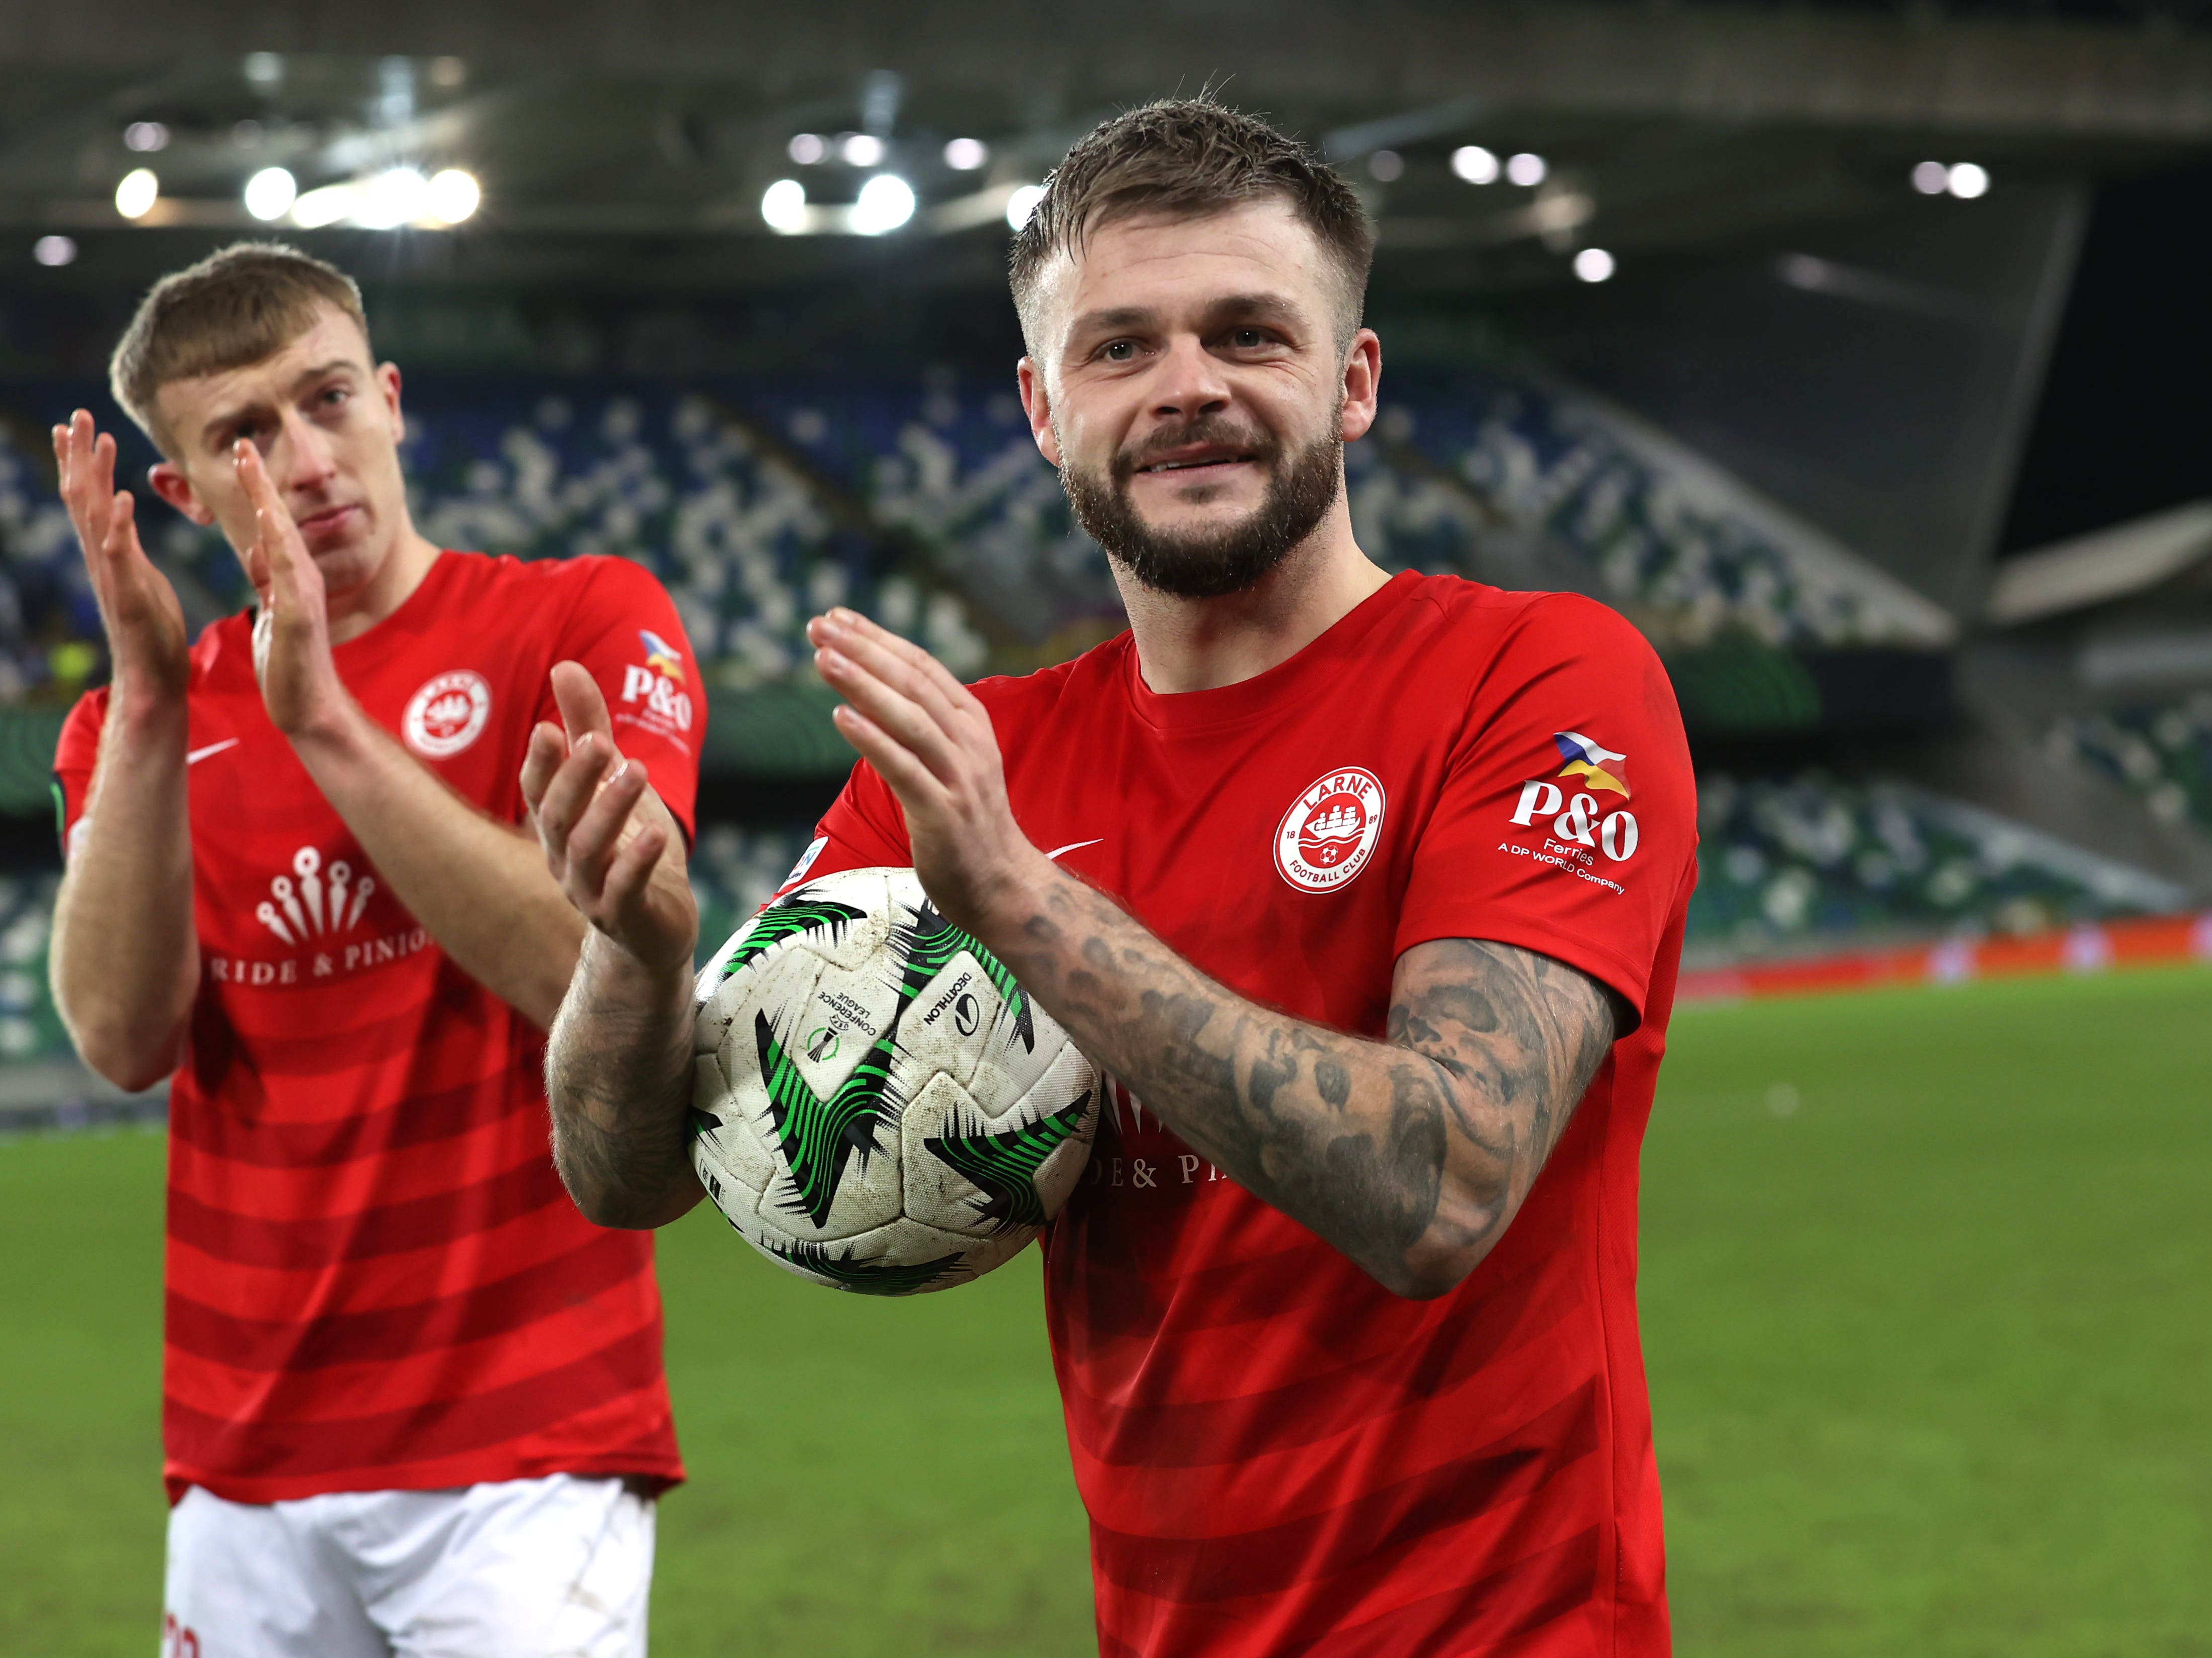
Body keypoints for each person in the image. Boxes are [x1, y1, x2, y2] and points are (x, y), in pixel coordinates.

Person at [530, 102, 1694, 1656]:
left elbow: (1441, 1191)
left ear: (1351, 385)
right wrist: (634, 950)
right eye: (1120, 347)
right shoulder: (975, 755)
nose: (1187, 388)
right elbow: (631, 1175)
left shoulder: (1535, 679)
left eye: (1249, 335)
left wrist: (1020, 901)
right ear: (1040, 407)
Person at [49, 243, 705, 1658]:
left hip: (529, 1447)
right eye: (242, 434)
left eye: (328, 399)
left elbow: (598, 966)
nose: (302, 458)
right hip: (243, 1460)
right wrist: (157, 708)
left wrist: (329, 724)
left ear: (392, 400)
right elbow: (118, 1037)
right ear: (181, 491)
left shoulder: (577, 623)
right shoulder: (127, 733)